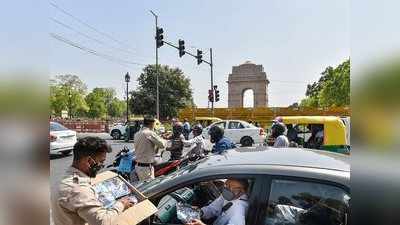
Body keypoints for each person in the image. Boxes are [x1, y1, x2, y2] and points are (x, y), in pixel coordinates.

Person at [52, 136, 134, 225]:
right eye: (101, 162)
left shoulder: (66, 178)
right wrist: (121, 204)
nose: (101, 166)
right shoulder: (78, 189)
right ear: (89, 161)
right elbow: (103, 222)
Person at [134, 115, 166, 181]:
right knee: (149, 189)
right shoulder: (149, 133)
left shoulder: (137, 133)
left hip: (138, 166)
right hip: (146, 168)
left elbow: (146, 147)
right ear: (151, 123)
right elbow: (162, 145)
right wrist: (164, 139)